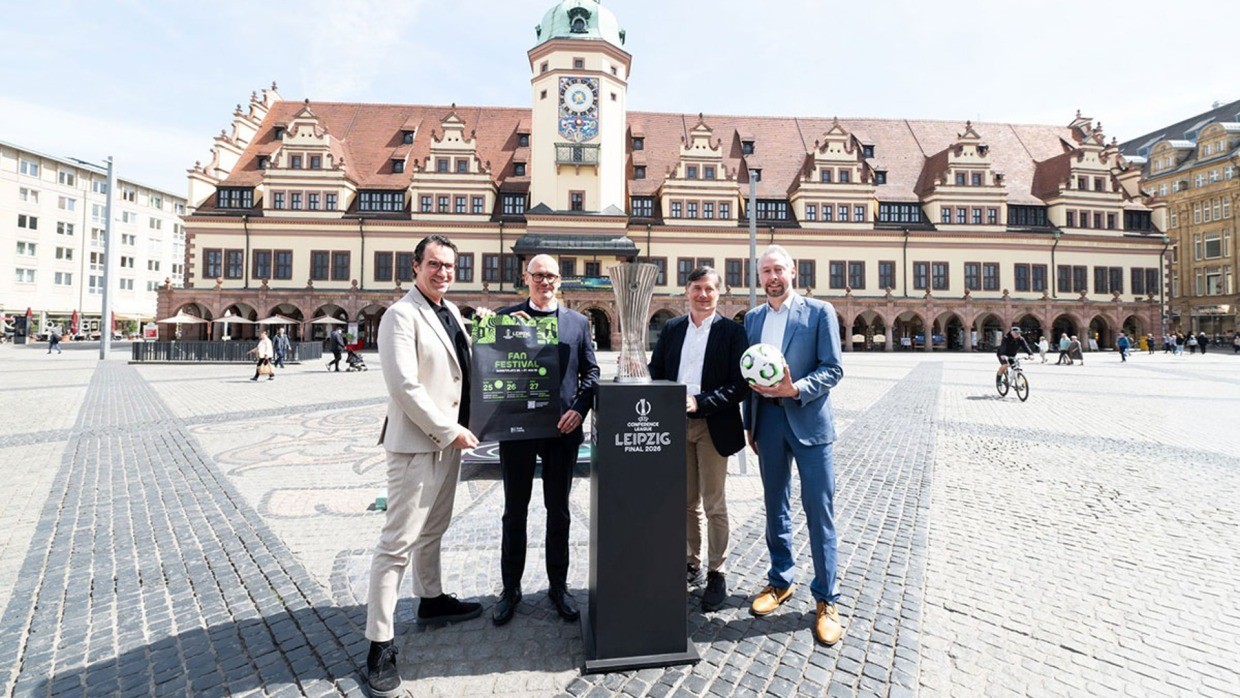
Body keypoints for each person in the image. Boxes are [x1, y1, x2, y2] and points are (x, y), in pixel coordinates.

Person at [365, 235, 481, 698]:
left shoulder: (449, 311)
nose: (443, 273)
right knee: (397, 543)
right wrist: (449, 430)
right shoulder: (401, 315)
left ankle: (431, 599)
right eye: (434, 264)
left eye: (449, 266)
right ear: (415, 266)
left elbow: (462, 369)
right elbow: (404, 386)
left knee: (434, 528)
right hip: (418, 444)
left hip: (449, 443)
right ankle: (379, 644)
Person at [741, 245, 845, 647]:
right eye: (766, 271)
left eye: (778, 269)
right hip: (767, 425)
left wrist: (795, 388)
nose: (773, 277)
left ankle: (826, 598)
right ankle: (781, 580)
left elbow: (833, 368)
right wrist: (749, 424)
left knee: (819, 510)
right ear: (759, 276)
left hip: (809, 423)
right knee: (775, 505)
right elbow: (749, 376)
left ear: (793, 271)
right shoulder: (753, 318)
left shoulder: (819, 312)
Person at [492, 255, 599, 627]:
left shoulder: (577, 322)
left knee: (559, 511)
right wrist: (499, 333)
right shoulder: (506, 318)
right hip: (518, 430)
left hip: (561, 429)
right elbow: (489, 365)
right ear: (526, 278)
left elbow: (591, 372)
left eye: (551, 276)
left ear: (560, 280)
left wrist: (580, 409)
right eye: (538, 275)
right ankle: (510, 588)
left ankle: (558, 586)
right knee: (514, 511)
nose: (545, 281)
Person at [648, 266, 750, 612]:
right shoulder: (673, 328)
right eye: (697, 288)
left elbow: (740, 384)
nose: (703, 295)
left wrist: (701, 402)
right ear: (687, 291)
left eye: (709, 289)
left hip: (713, 424)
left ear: (719, 293)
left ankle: (716, 571)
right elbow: (657, 371)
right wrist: (639, 374)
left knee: (714, 503)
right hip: (676, 424)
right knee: (685, 501)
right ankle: (690, 562)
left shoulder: (733, 332)